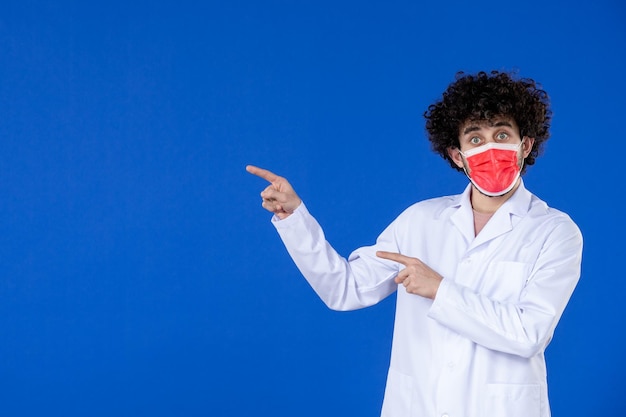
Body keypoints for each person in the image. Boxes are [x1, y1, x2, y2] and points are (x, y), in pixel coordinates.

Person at [246, 70, 582, 417]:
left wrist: (440, 289)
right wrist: (295, 218)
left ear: (524, 145)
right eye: (475, 139)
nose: (490, 148)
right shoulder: (419, 220)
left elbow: (529, 334)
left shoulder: (555, 231)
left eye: (501, 134)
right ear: (457, 155)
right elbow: (344, 289)